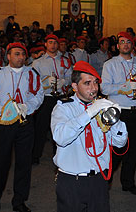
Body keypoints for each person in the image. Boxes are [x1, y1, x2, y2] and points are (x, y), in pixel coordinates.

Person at [51, 61, 128, 212]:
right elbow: (61, 138)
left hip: (99, 179)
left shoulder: (102, 106)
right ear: (74, 86)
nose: (93, 88)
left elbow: (120, 143)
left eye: (95, 83)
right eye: (87, 83)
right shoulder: (63, 107)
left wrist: (116, 120)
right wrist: (88, 113)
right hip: (72, 180)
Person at [0, 42, 45, 212]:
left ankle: (19, 200)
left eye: (23, 54)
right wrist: (3, 112)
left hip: (25, 123)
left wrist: (28, 108)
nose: (21, 57)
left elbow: (38, 95)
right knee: (0, 162)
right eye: (16, 54)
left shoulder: (31, 74)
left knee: (24, 163)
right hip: (4, 124)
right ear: (8, 56)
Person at [101, 31, 136, 195]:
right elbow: (104, 88)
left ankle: (128, 182)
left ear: (132, 46)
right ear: (117, 46)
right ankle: (105, 182)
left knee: (134, 151)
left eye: (128, 42)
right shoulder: (110, 64)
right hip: (119, 112)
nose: (125, 45)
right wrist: (124, 88)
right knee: (116, 150)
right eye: (122, 42)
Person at [31, 34, 72, 165]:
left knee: (60, 127)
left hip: (60, 97)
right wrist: (45, 82)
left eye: (55, 42)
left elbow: (71, 77)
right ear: (45, 44)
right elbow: (32, 82)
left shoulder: (65, 61)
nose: (53, 45)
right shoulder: (38, 62)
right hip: (46, 97)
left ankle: (59, 154)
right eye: (50, 42)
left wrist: (63, 81)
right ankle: (35, 154)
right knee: (41, 128)